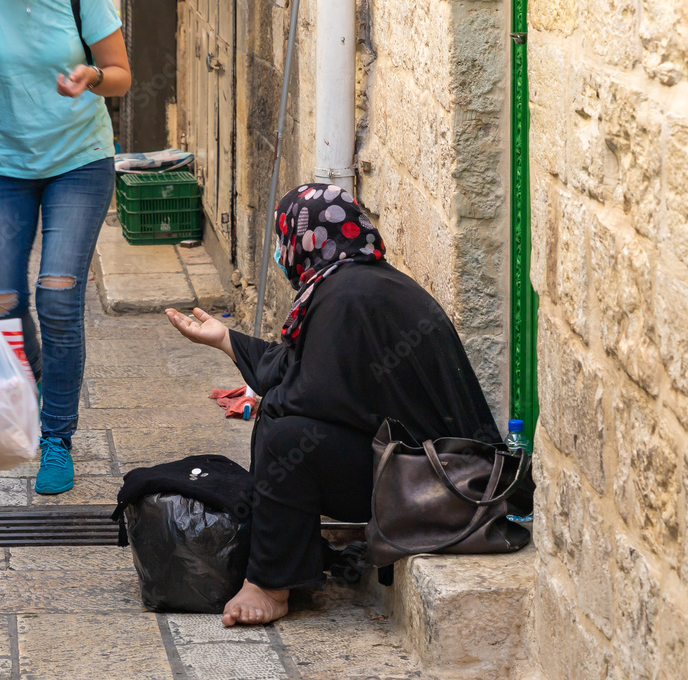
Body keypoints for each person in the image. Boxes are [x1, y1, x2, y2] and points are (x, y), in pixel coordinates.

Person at [165, 183, 502, 627]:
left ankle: (271, 583)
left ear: (304, 239)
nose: (283, 254)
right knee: (282, 422)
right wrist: (225, 339)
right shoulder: (355, 281)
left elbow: (312, 395)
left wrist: (271, 407)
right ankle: (288, 559)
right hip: (431, 471)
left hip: (444, 485)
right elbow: (295, 366)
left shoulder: (348, 294)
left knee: (286, 435)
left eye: (284, 239)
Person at [0, 0, 130, 495]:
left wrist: (92, 76)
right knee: (2, 301)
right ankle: (30, 396)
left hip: (78, 162)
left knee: (57, 297)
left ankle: (56, 436)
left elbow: (120, 75)